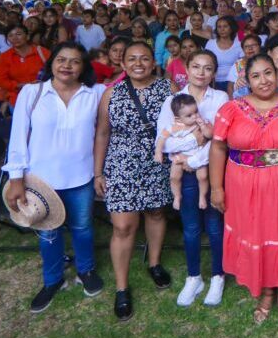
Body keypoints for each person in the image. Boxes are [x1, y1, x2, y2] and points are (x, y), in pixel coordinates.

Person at [208, 53, 278, 335]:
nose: (263, 80)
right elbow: (218, 148)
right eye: (256, 75)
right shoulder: (231, 109)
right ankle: (266, 293)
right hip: (243, 188)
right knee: (257, 234)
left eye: (268, 72)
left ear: (277, 73)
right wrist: (216, 187)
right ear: (246, 80)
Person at [3, 42, 106, 313]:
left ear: (84, 67)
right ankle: (53, 280)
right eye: (61, 60)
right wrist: (16, 179)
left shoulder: (95, 93)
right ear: (51, 63)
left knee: (83, 228)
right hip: (41, 181)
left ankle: (86, 270)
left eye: (74, 61)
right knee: (47, 232)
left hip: (81, 176)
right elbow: (18, 136)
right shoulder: (32, 92)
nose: (67, 66)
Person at [93, 41, 176, 321]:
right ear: (123, 63)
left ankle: (154, 263)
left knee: (155, 213)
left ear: (154, 62)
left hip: (157, 161)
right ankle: (121, 287)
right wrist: (98, 172)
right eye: (132, 58)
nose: (138, 63)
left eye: (144, 58)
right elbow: (102, 134)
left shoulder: (169, 88)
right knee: (123, 226)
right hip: (121, 164)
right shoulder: (111, 93)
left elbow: (184, 123)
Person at [156, 49, 229, 307]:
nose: (201, 72)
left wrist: (194, 160)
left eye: (208, 68)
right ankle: (194, 276)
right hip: (183, 170)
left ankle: (218, 275)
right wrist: (185, 151)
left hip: (212, 170)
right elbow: (162, 139)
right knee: (190, 226)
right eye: (196, 66)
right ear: (186, 69)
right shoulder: (173, 100)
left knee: (214, 224)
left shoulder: (220, 97)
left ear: (214, 72)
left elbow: (220, 137)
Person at [154, 95, 209, 211]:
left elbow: (209, 135)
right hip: (179, 156)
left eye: (196, 112)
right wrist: (158, 152)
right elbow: (161, 138)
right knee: (174, 177)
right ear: (178, 118)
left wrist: (203, 126)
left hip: (197, 154)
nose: (194, 116)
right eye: (189, 115)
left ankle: (202, 197)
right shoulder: (174, 127)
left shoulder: (201, 122)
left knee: (203, 176)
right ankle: (177, 196)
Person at [0, 24, 51, 107]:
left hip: (44, 97)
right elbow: (1, 80)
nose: (15, 38)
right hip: (18, 99)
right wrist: (19, 85)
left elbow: (55, 72)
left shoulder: (42, 52)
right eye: (10, 35)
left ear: (27, 36)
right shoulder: (5, 56)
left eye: (18, 34)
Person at [205, 16, 243, 92]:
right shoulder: (210, 44)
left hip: (234, 82)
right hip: (214, 82)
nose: (222, 29)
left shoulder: (239, 44)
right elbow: (206, 62)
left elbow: (241, 66)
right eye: (219, 27)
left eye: (225, 26)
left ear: (231, 28)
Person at [226, 33, 263, 98]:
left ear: (259, 46)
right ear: (243, 50)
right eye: (246, 47)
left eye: (253, 45)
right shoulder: (238, 64)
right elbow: (230, 86)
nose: (250, 48)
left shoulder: (267, 62)